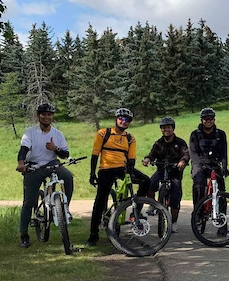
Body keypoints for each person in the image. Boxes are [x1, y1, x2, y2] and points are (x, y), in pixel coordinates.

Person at [86, 108, 151, 246]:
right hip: (106, 169)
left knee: (146, 181)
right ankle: (93, 234)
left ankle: (136, 214)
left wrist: (130, 170)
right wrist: (92, 173)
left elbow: (132, 157)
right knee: (100, 199)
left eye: (127, 120)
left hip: (123, 168)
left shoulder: (130, 138)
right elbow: (95, 153)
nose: (124, 121)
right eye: (121, 118)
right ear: (116, 119)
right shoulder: (104, 133)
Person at [16, 103, 73, 248]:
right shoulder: (30, 133)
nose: (46, 117)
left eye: (49, 114)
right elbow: (23, 149)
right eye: (43, 114)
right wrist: (21, 163)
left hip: (52, 164)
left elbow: (65, 155)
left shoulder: (57, 134)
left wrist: (56, 148)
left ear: (52, 117)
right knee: (28, 202)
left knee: (68, 177)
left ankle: (64, 209)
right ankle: (24, 235)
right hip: (34, 167)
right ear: (38, 116)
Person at [142, 117, 190, 233]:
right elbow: (152, 155)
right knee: (148, 185)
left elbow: (186, 154)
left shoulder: (180, 142)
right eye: (163, 128)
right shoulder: (158, 143)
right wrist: (147, 159)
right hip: (160, 171)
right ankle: (153, 204)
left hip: (175, 173)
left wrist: (182, 161)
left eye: (168, 127)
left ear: (173, 128)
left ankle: (173, 221)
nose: (166, 130)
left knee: (175, 198)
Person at [189, 107, 229, 220]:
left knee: (221, 190)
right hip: (200, 163)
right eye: (206, 119)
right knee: (199, 185)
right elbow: (193, 153)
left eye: (211, 118)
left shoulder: (221, 134)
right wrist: (200, 165)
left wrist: (224, 167)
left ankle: (222, 221)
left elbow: (223, 153)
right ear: (201, 120)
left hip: (214, 164)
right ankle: (198, 212)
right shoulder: (195, 134)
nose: (208, 121)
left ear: (214, 119)